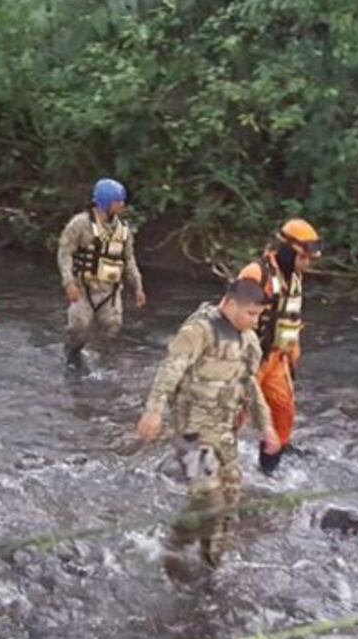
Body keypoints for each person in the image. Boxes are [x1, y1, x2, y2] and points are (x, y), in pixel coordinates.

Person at [135, 279, 280, 570]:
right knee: (208, 498)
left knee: (229, 503)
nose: (255, 321)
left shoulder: (249, 341)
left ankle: (211, 560)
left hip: (223, 431)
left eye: (259, 315)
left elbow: (250, 386)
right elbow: (171, 368)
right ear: (230, 304)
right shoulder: (198, 332)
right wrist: (154, 411)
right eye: (251, 314)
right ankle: (173, 546)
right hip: (190, 431)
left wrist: (267, 426)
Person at [236, 219, 322, 475]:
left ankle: (267, 475)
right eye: (303, 258)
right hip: (247, 360)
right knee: (233, 419)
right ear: (288, 251)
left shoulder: (295, 279)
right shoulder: (256, 274)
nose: (307, 264)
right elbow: (230, 315)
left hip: (277, 358)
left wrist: (292, 357)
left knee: (283, 415)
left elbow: (291, 321)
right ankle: (210, 477)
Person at [56, 178, 146, 371]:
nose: (122, 205)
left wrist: (138, 286)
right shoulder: (80, 224)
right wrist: (68, 283)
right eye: (118, 201)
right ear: (105, 202)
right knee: (79, 328)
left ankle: (105, 366)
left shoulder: (123, 231)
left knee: (113, 327)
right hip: (83, 287)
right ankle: (72, 355)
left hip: (110, 290)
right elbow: (65, 253)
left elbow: (129, 260)